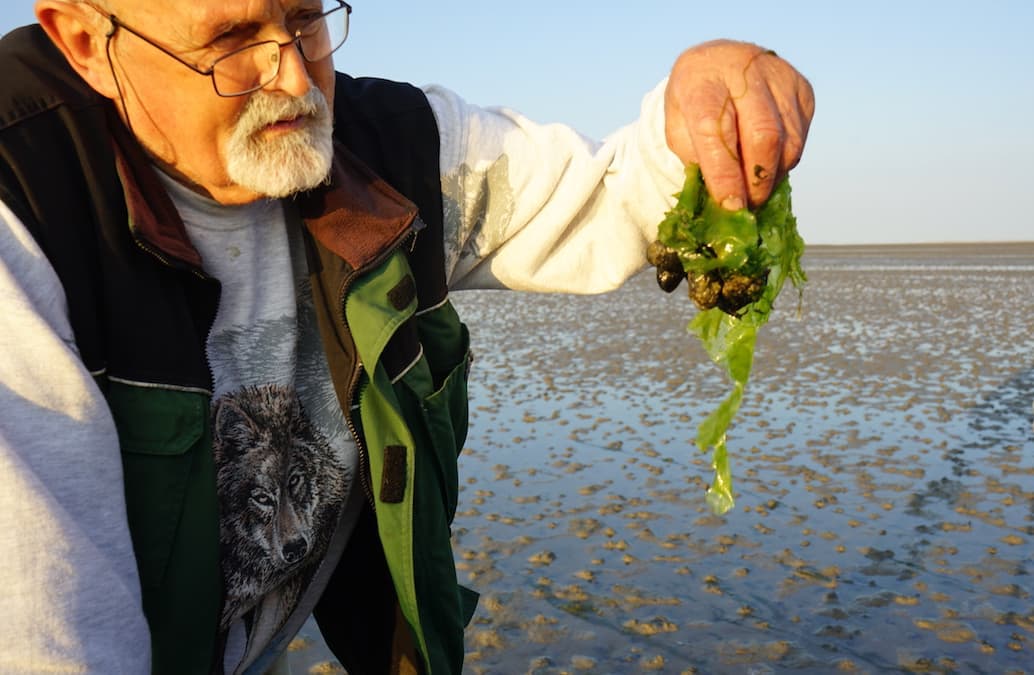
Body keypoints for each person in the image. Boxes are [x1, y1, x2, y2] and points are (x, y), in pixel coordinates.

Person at [0, 0, 814, 673]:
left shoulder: (385, 147)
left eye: (305, 20)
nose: (291, 78)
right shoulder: (24, 207)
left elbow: (609, 193)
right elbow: (48, 640)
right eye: (230, 40)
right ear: (85, 42)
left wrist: (703, 108)